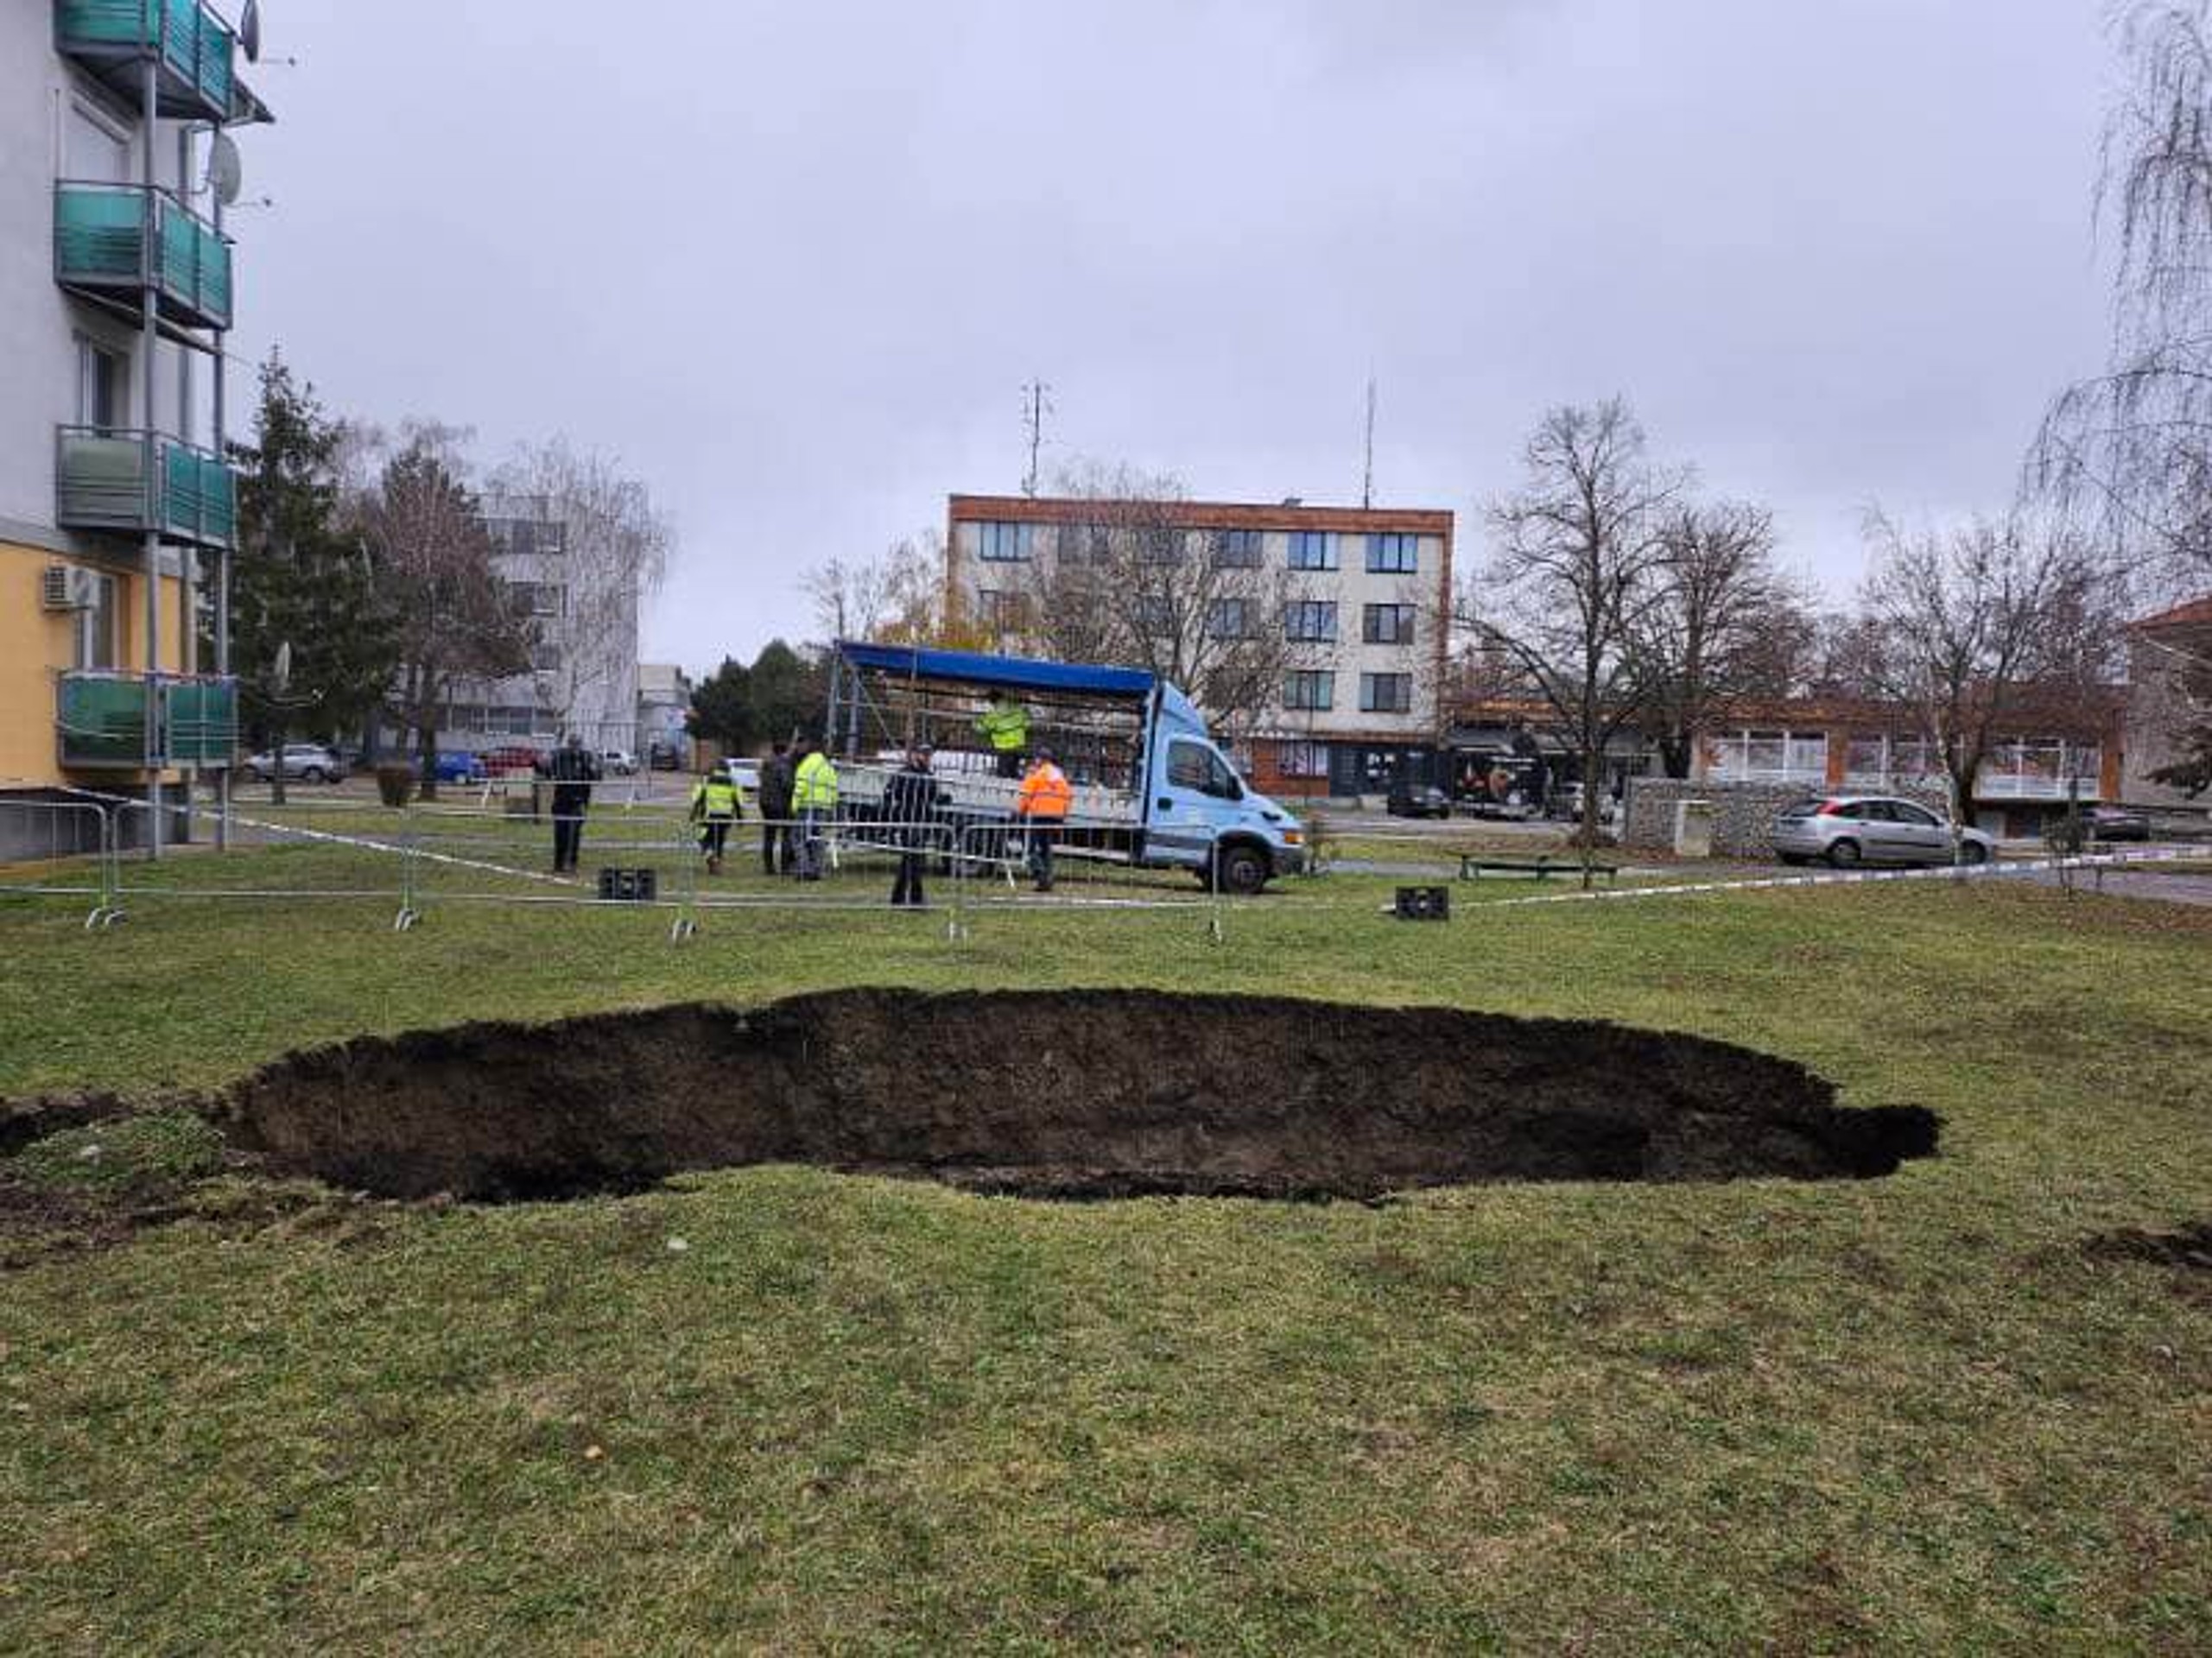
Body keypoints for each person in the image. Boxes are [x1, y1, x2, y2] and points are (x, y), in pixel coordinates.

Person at [884, 741, 939, 908]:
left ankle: (898, 898)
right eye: (924, 754)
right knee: (914, 860)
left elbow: (931, 795)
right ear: (915, 755)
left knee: (910, 860)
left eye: (929, 755)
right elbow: (891, 792)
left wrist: (941, 798)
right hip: (909, 819)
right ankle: (915, 899)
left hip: (921, 820)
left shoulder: (928, 774)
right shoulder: (905, 773)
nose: (927, 758)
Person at [1013, 746, 1073, 892]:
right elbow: (1068, 795)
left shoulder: (1036, 774)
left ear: (1040, 759)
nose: (1035, 761)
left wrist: (1019, 812)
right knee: (1046, 848)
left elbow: (1026, 794)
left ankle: (1041, 877)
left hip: (1040, 814)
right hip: (1056, 816)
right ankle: (1048, 880)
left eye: (1036, 758)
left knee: (1030, 848)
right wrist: (1063, 813)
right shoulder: (1058, 774)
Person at [546, 732, 601, 874]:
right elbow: (547, 771)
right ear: (568, 744)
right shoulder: (559, 756)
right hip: (561, 798)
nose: (574, 747)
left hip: (580, 799)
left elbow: (597, 777)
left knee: (574, 833)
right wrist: (543, 763)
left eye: (577, 744)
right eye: (572, 744)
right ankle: (558, 864)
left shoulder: (587, 757)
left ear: (581, 745)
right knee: (560, 832)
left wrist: (594, 769)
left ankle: (572, 864)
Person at [790, 739, 839, 881]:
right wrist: (832, 806)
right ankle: (818, 870)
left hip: (806, 806)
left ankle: (804, 869)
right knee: (818, 840)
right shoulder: (828, 766)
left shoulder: (807, 764)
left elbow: (800, 786)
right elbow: (834, 788)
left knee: (799, 838)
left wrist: (794, 804)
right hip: (823, 807)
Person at [689, 762, 742, 875]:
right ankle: (716, 866)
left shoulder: (707, 780)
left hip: (709, 816)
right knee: (719, 842)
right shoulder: (733, 781)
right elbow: (738, 801)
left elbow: (698, 798)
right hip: (726, 817)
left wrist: (693, 814)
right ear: (727, 769)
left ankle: (711, 859)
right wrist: (739, 817)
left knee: (703, 840)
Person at [759, 739, 795, 875]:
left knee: (769, 837)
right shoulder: (783, 765)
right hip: (781, 805)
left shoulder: (766, 764)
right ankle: (785, 867)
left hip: (765, 804)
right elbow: (787, 785)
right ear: (784, 751)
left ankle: (769, 868)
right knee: (786, 836)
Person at [975, 694, 1030, 779]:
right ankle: (1015, 784)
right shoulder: (1017, 709)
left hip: (1003, 746)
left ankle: (1004, 784)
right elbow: (1027, 724)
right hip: (1018, 744)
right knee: (1013, 770)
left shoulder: (994, 714)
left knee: (1002, 773)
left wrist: (976, 723)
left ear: (993, 702)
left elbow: (984, 728)